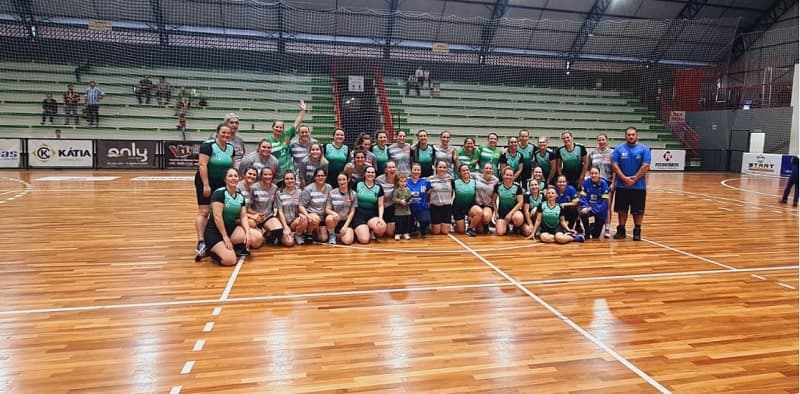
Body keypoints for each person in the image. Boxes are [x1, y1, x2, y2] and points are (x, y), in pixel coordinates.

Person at [194, 124, 234, 261]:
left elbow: (232, 167)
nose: (226, 135)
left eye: (228, 133)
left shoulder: (231, 148)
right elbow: (202, 164)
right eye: (223, 132)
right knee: (204, 212)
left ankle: (214, 238)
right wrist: (206, 184)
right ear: (217, 133)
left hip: (221, 183)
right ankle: (201, 242)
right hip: (206, 182)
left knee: (218, 212)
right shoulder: (208, 146)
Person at [201, 168, 251, 266]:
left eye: (235, 176)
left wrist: (248, 233)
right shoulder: (219, 194)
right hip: (215, 232)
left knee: (256, 238)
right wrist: (225, 237)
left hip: (230, 229)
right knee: (230, 260)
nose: (233, 178)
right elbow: (217, 217)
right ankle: (208, 251)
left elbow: (244, 216)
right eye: (230, 176)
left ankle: (234, 247)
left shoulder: (240, 195)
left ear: (239, 178)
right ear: (225, 179)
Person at [611, 127, 651, 241]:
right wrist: (624, 178)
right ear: (625, 136)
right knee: (621, 209)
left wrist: (634, 178)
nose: (631, 136)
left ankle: (637, 231)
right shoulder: (619, 148)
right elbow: (614, 165)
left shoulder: (644, 149)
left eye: (633, 134)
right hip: (621, 185)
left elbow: (646, 165)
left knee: (638, 210)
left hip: (639, 186)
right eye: (629, 135)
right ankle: (621, 230)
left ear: (637, 135)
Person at [267, 100, 308, 179]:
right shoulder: (267, 141)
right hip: (275, 175)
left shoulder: (287, 135)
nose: (279, 129)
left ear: (283, 129)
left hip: (289, 174)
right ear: (272, 128)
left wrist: (303, 110)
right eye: (277, 127)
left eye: (281, 127)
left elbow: (296, 123)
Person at [589, 133, 615, 238]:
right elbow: (589, 168)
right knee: (595, 204)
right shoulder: (593, 153)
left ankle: (607, 228)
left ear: (607, 140)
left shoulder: (612, 153)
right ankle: (596, 226)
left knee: (607, 206)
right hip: (595, 183)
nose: (601, 142)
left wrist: (613, 183)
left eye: (603, 140)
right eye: (599, 140)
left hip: (608, 182)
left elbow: (615, 169)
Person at [250, 167, 283, 247]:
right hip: (255, 217)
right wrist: (255, 214)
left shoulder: (274, 188)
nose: (268, 176)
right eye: (265, 174)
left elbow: (276, 206)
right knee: (257, 243)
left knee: (278, 230)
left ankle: (266, 233)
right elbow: (248, 206)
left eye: (270, 174)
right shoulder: (253, 187)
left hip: (268, 216)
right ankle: (261, 232)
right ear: (261, 176)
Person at [353, 166, 387, 243]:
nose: (370, 174)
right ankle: (360, 230)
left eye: (372, 172)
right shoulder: (358, 184)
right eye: (368, 172)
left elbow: (381, 205)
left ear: (375, 175)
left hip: (372, 215)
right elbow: (352, 200)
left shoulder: (378, 187)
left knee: (382, 227)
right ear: (364, 174)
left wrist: (380, 218)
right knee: (364, 240)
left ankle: (371, 230)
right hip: (359, 215)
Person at [236, 167, 265, 249]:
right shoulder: (238, 188)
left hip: (243, 216)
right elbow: (237, 209)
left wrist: (256, 214)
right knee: (252, 223)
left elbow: (247, 208)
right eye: (250, 174)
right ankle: (238, 243)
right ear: (244, 174)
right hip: (235, 217)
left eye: (254, 175)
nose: (252, 176)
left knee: (259, 241)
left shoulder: (250, 188)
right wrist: (251, 216)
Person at [277, 171, 309, 246]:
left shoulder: (300, 192)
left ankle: (297, 235)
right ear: (284, 181)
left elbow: (301, 207)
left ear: (295, 180)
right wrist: (285, 227)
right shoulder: (279, 193)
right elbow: (280, 211)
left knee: (304, 218)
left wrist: (306, 215)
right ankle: (282, 235)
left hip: (294, 221)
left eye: (292, 178)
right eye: (287, 179)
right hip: (284, 222)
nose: (289, 181)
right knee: (289, 243)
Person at [301, 168, 332, 243]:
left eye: (322, 175)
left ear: (326, 177)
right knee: (316, 219)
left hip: (323, 217)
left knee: (323, 239)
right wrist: (307, 216)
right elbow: (301, 206)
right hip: (312, 215)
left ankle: (315, 232)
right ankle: (308, 234)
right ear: (314, 177)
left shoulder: (329, 187)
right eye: (318, 176)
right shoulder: (308, 189)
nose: (320, 177)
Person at [325, 173, 357, 245]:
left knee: (347, 241)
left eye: (343, 179)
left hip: (346, 221)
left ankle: (339, 235)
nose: (341, 182)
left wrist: (345, 226)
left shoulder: (353, 194)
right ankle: (332, 235)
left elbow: (352, 212)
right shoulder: (332, 193)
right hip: (335, 220)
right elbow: (327, 209)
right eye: (339, 180)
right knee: (329, 218)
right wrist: (333, 213)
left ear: (348, 180)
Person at [579, 167, 610, 239]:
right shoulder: (586, 182)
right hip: (588, 207)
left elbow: (604, 202)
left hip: (600, 210)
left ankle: (592, 226)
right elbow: (583, 197)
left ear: (599, 174)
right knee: (583, 213)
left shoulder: (604, 184)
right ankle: (587, 233)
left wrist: (592, 209)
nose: (593, 175)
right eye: (592, 173)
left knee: (596, 235)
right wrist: (585, 207)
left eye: (596, 173)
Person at [493, 167, 524, 236]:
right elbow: (493, 200)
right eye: (507, 175)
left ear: (513, 176)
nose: (508, 177)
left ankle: (516, 227)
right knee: (500, 232)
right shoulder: (498, 186)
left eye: (510, 175)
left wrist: (510, 214)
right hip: (502, 213)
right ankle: (505, 227)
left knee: (518, 218)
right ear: (503, 175)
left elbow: (520, 202)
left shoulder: (517, 187)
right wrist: (495, 212)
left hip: (514, 213)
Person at [452, 164, 479, 236]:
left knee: (479, 211)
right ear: (460, 173)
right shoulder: (455, 182)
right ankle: (455, 224)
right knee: (461, 231)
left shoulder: (474, 182)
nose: (465, 172)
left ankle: (470, 228)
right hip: (458, 208)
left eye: (467, 170)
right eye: (463, 171)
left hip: (470, 207)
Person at [428, 160, 453, 235]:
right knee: (436, 232)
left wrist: (450, 201)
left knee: (445, 232)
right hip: (435, 207)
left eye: (444, 167)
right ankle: (429, 225)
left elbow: (452, 191)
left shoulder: (450, 179)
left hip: (447, 207)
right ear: (436, 168)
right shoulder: (430, 179)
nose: (442, 169)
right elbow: (427, 193)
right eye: (440, 167)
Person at [375, 160, 399, 238]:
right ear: (385, 170)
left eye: (393, 167)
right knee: (380, 233)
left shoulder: (399, 179)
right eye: (389, 167)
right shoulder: (379, 180)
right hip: (379, 207)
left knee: (390, 233)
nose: (392, 169)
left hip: (391, 208)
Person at [407, 163, 431, 238]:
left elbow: (429, 191)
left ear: (420, 171)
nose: (416, 171)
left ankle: (422, 228)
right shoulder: (406, 181)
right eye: (414, 169)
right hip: (408, 209)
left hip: (421, 207)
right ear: (411, 171)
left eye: (418, 170)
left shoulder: (425, 182)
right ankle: (413, 226)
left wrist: (427, 202)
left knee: (426, 220)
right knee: (407, 229)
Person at [474, 162, 499, 233]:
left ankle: (486, 224)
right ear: (483, 170)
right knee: (479, 230)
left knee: (486, 217)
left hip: (488, 205)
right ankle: (472, 220)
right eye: (486, 168)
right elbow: (465, 173)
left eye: (490, 168)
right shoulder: (477, 177)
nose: (488, 170)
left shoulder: (496, 181)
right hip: (477, 204)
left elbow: (495, 198)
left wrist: (496, 212)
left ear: (492, 170)